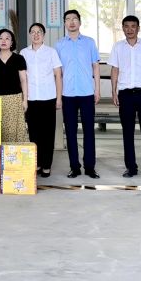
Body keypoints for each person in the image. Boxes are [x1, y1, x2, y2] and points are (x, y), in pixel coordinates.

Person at [109, 15, 141, 180]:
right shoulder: (118, 47)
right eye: (126, 26)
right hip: (125, 94)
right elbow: (115, 70)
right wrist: (113, 91)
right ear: (122, 28)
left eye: (133, 26)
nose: (130, 29)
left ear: (138, 28)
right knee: (127, 132)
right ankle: (131, 167)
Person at [55, 10, 101, 179]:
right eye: (68, 19)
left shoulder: (89, 42)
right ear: (64, 23)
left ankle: (90, 167)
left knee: (89, 131)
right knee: (70, 132)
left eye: (74, 19)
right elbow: (58, 72)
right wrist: (58, 95)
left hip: (86, 92)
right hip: (67, 93)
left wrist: (97, 89)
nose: (71, 22)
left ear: (80, 22)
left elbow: (95, 67)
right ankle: (74, 167)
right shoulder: (59, 45)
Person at [20, 23, 62, 178]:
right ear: (30, 34)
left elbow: (58, 75)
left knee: (48, 133)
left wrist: (59, 98)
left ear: (43, 35)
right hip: (31, 99)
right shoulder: (24, 53)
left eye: (39, 32)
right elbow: (22, 78)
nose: (36, 34)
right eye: (33, 32)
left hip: (48, 97)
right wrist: (24, 99)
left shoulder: (51, 52)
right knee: (34, 133)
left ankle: (46, 165)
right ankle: (36, 163)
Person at [0, 28, 28, 143]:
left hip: (14, 99)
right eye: (1, 38)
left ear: (12, 42)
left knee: (13, 131)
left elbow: (23, 80)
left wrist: (25, 100)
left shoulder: (19, 58)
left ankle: (12, 154)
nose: (4, 41)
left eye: (7, 38)